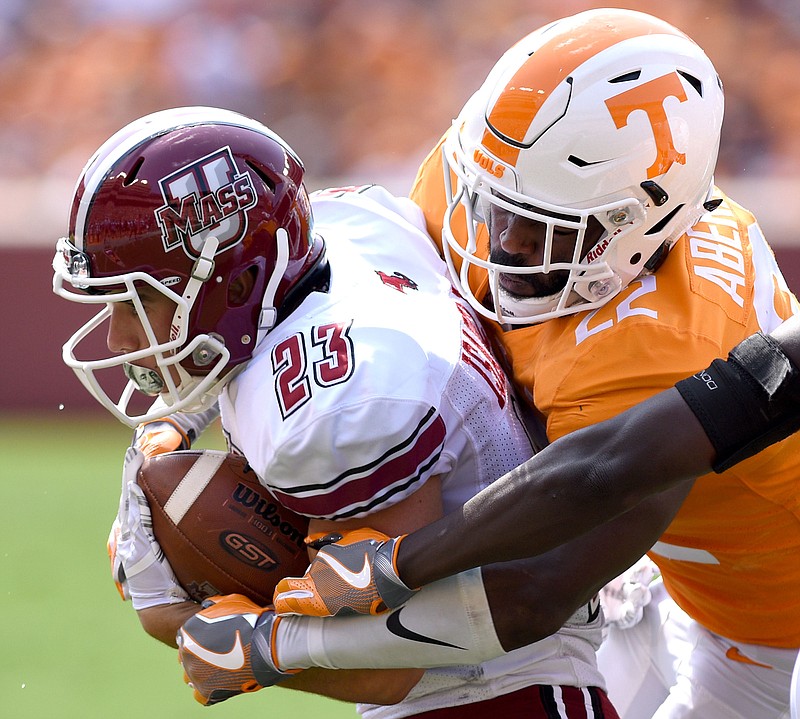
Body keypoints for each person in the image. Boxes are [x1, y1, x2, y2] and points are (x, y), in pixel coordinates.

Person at [279, 8, 800, 719]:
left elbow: (536, 586)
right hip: (666, 580)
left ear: (638, 224)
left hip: (773, 644)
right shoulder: (490, 178)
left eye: (540, 227)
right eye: (497, 205)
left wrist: (278, 638)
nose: (501, 242)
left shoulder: (666, 338)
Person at [52, 105, 623, 717]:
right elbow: (237, 333)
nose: (116, 339)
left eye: (138, 301)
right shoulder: (342, 225)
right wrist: (171, 422)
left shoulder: (335, 410)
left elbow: (392, 667)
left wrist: (175, 617)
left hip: (499, 688)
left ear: (239, 286)